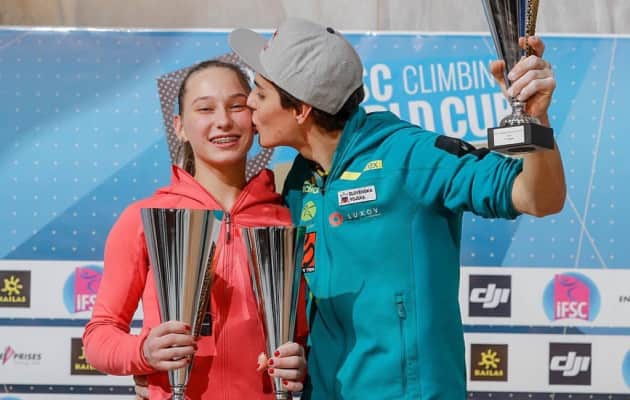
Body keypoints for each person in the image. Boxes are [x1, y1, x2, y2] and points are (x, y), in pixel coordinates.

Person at [228, 18, 565, 399]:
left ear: (301, 110)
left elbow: (539, 198)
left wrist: (536, 119)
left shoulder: (410, 157)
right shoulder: (300, 179)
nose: (249, 103)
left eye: (260, 93)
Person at [83, 59, 307, 400]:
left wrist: (302, 360)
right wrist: (144, 352)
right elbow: (99, 336)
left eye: (237, 106)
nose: (223, 121)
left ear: (254, 118)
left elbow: (308, 335)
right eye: (205, 109)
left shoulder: (288, 220)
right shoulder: (144, 220)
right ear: (180, 127)